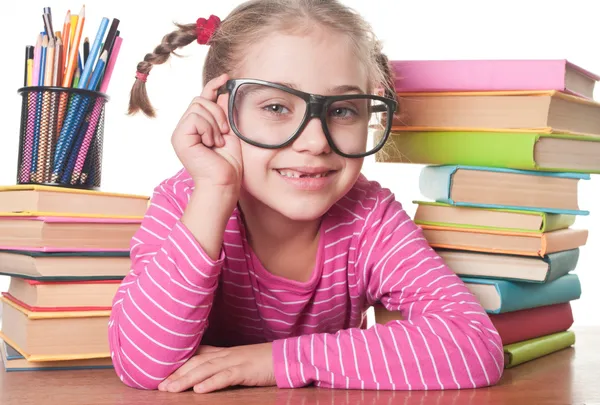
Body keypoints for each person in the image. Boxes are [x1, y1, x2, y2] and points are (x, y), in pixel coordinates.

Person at [109, 0, 503, 394]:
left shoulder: (369, 219)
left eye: (344, 110)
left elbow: (474, 345)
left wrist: (274, 359)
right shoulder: (187, 202)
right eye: (277, 106)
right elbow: (144, 365)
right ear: (217, 110)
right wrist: (216, 191)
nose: (315, 142)